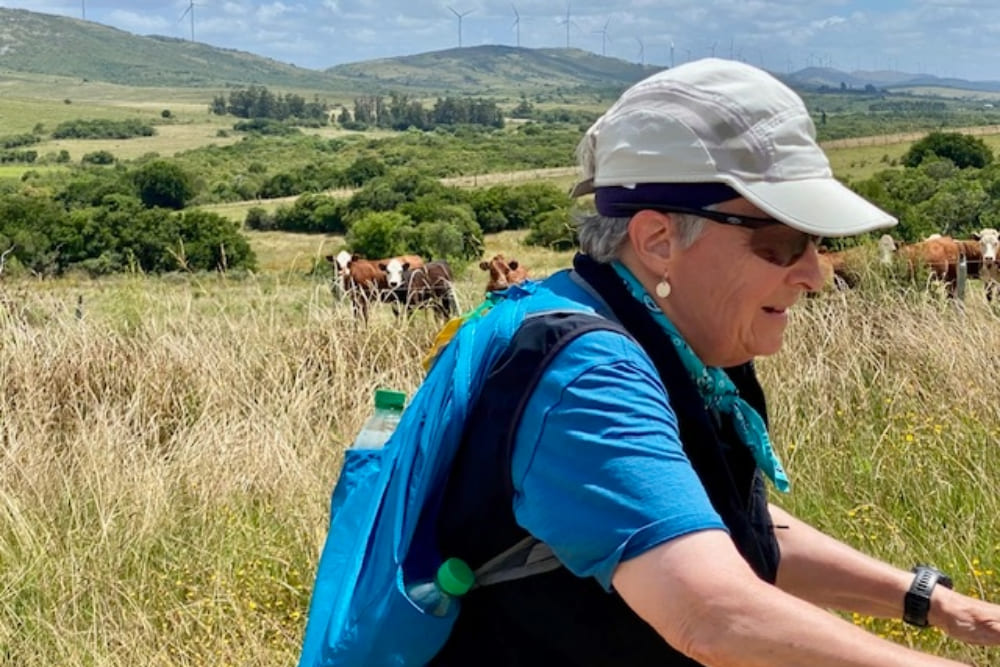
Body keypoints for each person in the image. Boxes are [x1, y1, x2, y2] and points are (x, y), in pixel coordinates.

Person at [427, 58, 1000, 665]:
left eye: (819, 242)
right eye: (781, 242)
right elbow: (710, 611)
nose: (815, 275)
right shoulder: (588, 378)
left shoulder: (653, 333)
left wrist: (936, 604)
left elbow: (702, 531)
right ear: (657, 241)